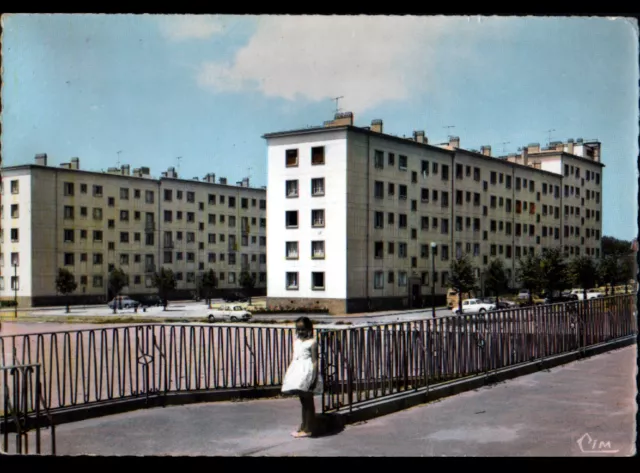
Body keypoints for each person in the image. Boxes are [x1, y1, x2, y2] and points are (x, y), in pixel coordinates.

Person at [281, 317, 323, 438]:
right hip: (298, 371)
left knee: (308, 401)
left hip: (307, 372)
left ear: (309, 329)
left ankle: (308, 428)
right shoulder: (297, 341)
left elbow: (315, 361)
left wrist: (314, 378)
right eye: (298, 329)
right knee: (303, 401)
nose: (300, 332)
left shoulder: (312, 342)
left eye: (303, 329)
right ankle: (304, 425)